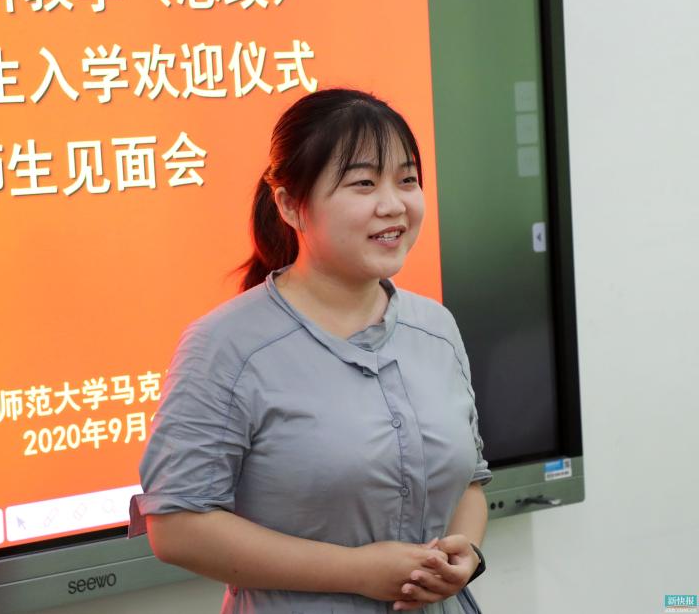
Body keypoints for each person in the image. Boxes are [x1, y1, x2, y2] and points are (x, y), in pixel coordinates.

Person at [128, 88, 491, 614]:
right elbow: (178, 527)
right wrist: (357, 572)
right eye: (363, 183)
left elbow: (470, 481)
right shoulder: (226, 344)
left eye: (407, 180)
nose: (393, 204)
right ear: (290, 205)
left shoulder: (436, 327)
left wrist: (468, 552)